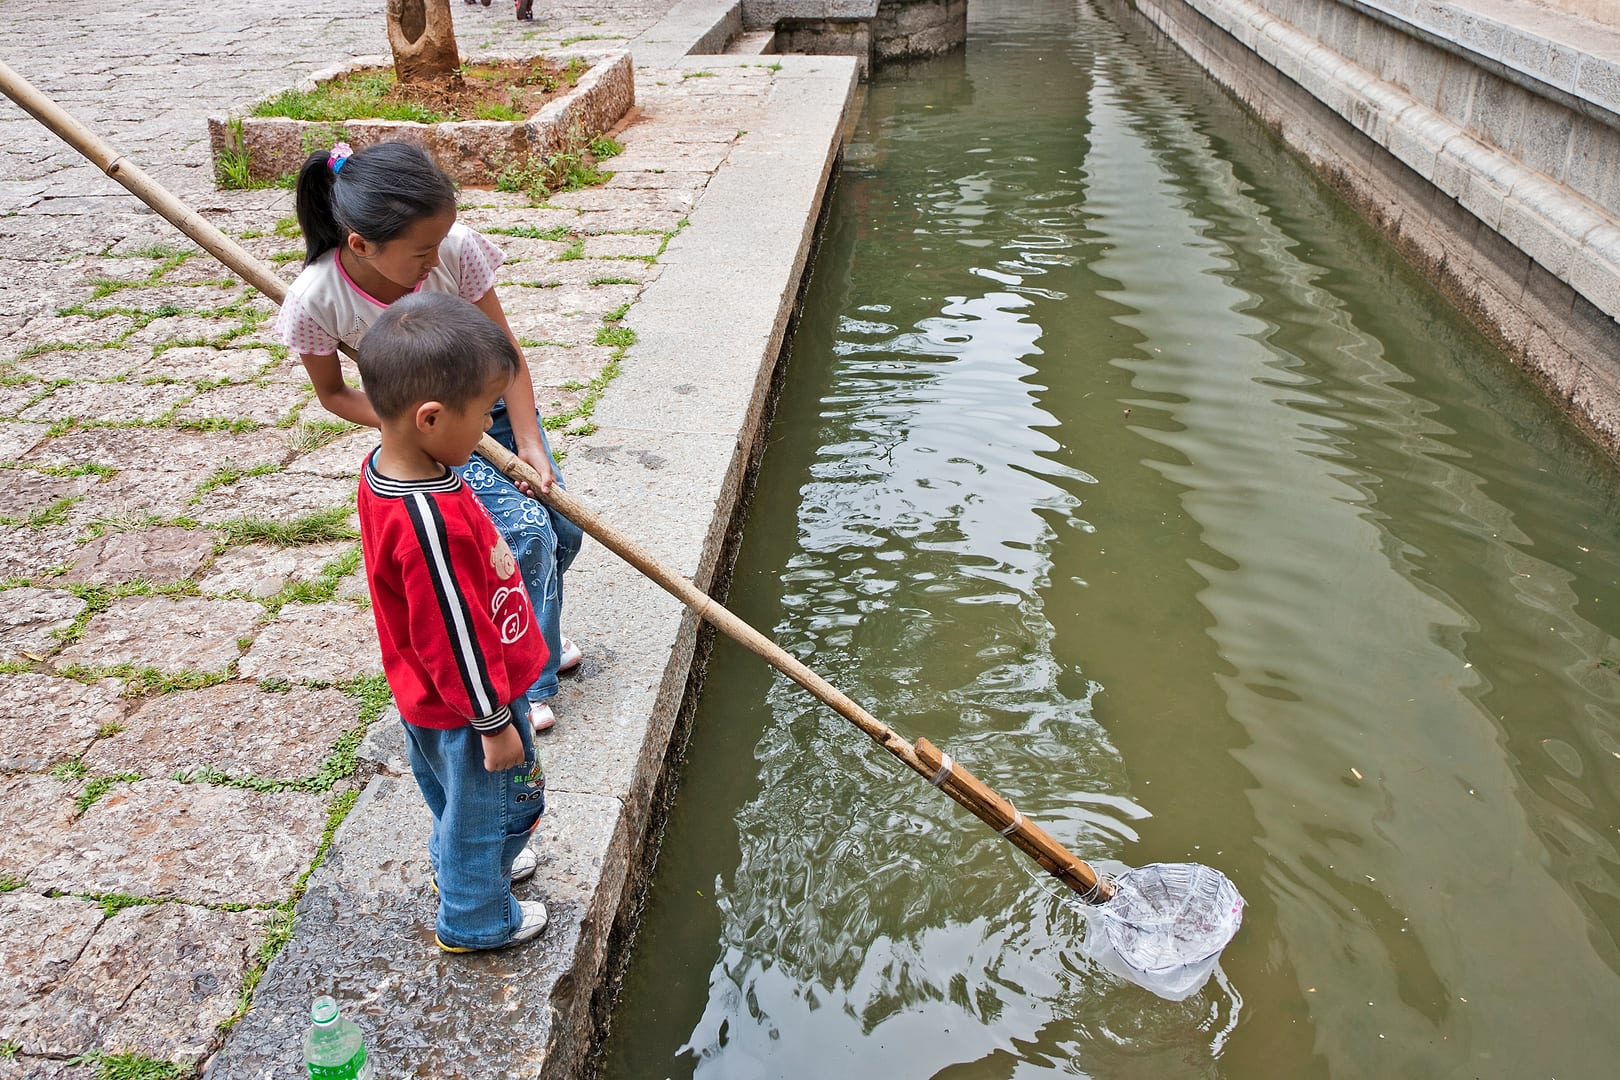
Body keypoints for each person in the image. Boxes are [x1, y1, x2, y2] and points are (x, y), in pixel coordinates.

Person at [277, 139, 582, 732]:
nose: (434, 258)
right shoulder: (316, 300)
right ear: (362, 244)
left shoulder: (456, 251)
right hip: (429, 436)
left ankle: (522, 613)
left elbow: (507, 356)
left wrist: (529, 440)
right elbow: (335, 395)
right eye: (421, 251)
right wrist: (416, 427)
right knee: (524, 537)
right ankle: (527, 680)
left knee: (561, 529)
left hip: (490, 412)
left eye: (440, 241)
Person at [356, 292, 551, 952]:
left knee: (462, 799)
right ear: (431, 417)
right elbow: (456, 635)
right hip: (472, 703)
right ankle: (474, 915)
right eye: (483, 417)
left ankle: (472, 864)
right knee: (505, 799)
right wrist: (493, 722)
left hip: (433, 698)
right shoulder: (426, 525)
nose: (489, 433)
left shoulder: (399, 469)